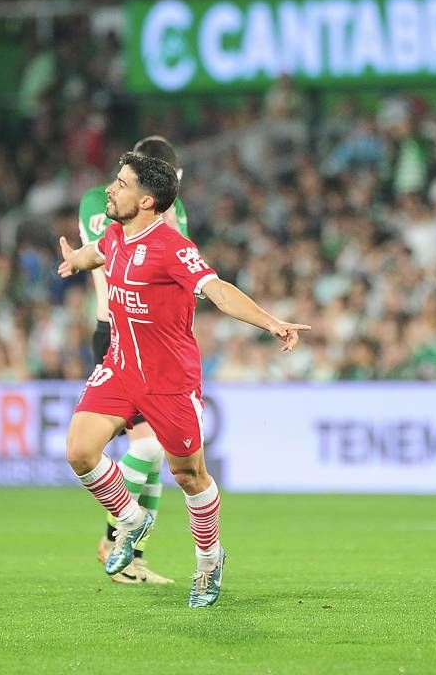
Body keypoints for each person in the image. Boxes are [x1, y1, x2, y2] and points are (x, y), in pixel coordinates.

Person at [59, 152, 309, 607]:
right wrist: (76, 260)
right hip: (119, 366)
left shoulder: (174, 249)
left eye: (121, 184)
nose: (110, 191)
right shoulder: (115, 234)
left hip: (169, 381)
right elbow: (98, 252)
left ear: (148, 200)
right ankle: (131, 519)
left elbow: (218, 291)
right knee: (78, 450)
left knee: (189, 475)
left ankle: (210, 560)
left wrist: (271, 322)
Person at [76, 135, 185, 586]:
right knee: (146, 448)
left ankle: (134, 556)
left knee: (154, 453)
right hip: (131, 337)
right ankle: (114, 536)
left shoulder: (93, 201)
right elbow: (173, 266)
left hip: (111, 329)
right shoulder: (163, 212)